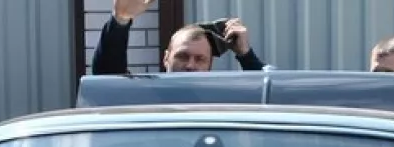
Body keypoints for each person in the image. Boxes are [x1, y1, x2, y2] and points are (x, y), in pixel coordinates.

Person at [91, 0, 268, 75]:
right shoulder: (147, 97)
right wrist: (120, 21)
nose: (190, 65)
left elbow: (270, 96)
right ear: (166, 58)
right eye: (182, 56)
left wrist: (246, 56)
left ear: (209, 66)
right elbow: (107, 79)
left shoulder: (221, 102)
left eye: (200, 59)